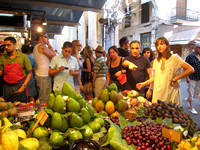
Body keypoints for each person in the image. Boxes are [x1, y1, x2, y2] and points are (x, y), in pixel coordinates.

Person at [136, 37, 194, 106]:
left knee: (170, 114)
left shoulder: (175, 58)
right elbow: (155, 77)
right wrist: (144, 84)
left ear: (167, 45)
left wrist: (176, 78)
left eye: (162, 44)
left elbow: (190, 69)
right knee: (157, 113)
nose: (159, 46)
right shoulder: (156, 61)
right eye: (157, 45)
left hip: (171, 93)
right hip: (158, 93)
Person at [0, 37, 32, 102]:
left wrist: (23, 86)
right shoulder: (3, 58)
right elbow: (1, 72)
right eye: (5, 45)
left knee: (21, 108)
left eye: (8, 45)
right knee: (8, 107)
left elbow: (30, 73)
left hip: (19, 86)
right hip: (7, 87)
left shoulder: (23, 57)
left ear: (15, 45)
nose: (6, 47)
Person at [33, 33, 56, 104]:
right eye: (46, 37)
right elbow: (53, 55)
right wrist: (49, 45)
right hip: (44, 75)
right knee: (45, 98)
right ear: (40, 37)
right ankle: (43, 113)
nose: (48, 38)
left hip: (42, 74)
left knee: (44, 96)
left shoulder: (37, 46)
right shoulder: (41, 46)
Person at [185, 42, 200, 114]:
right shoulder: (190, 56)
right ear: (195, 48)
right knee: (191, 93)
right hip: (192, 78)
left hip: (199, 78)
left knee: (196, 93)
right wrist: (187, 77)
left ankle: (188, 100)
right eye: (199, 47)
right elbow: (185, 68)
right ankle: (191, 108)